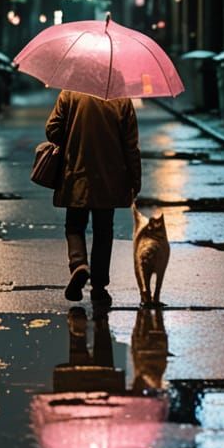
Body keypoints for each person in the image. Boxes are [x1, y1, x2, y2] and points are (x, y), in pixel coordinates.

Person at [45, 87, 141, 307]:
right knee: (103, 231)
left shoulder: (70, 92)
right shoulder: (121, 99)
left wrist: (70, 133)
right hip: (109, 177)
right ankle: (99, 288)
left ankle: (79, 264)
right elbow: (131, 145)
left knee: (74, 226)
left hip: (76, 173)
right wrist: (135, 179)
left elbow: (52, 129)